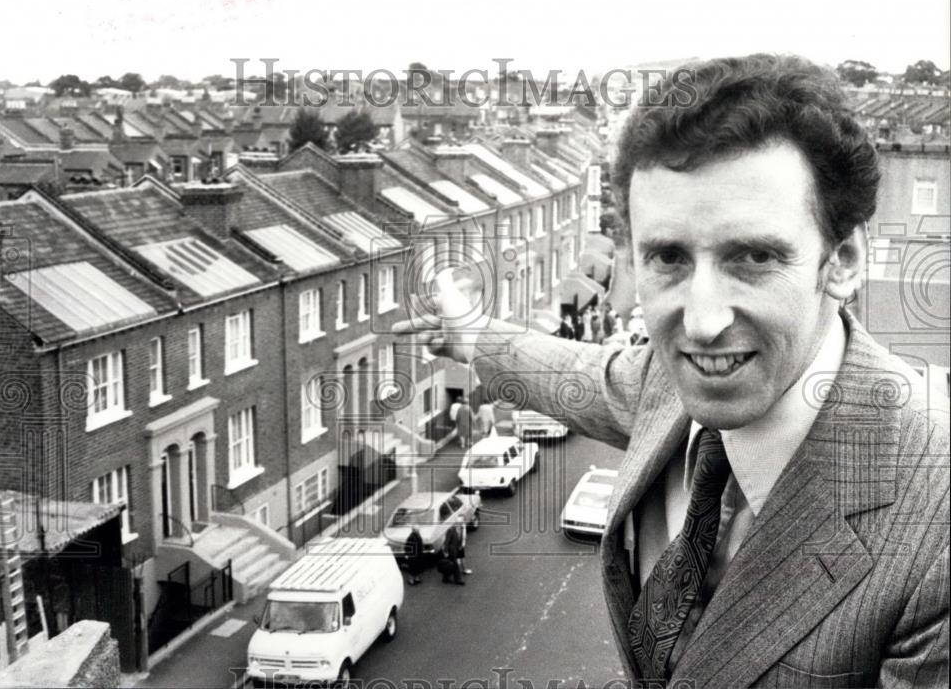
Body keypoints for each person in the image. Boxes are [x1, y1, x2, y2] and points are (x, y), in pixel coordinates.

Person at [396, 54, 949, 686]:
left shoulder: (936, 530)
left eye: (755, 256)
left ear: (843, 259)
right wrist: (474, 336)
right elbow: (587, 377)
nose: (702, 321)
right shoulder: (666, 382)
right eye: (668, 257)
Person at [439, 521, 466, 585]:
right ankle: (458, 580)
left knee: (449, 565)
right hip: (450, 551)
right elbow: (446, 542)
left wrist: (460, 546)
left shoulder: (461, 529)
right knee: (455, 565)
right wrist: (446, 552)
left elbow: (460, 539)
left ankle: (445, 578)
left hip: (455, 550)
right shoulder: (450, 530)